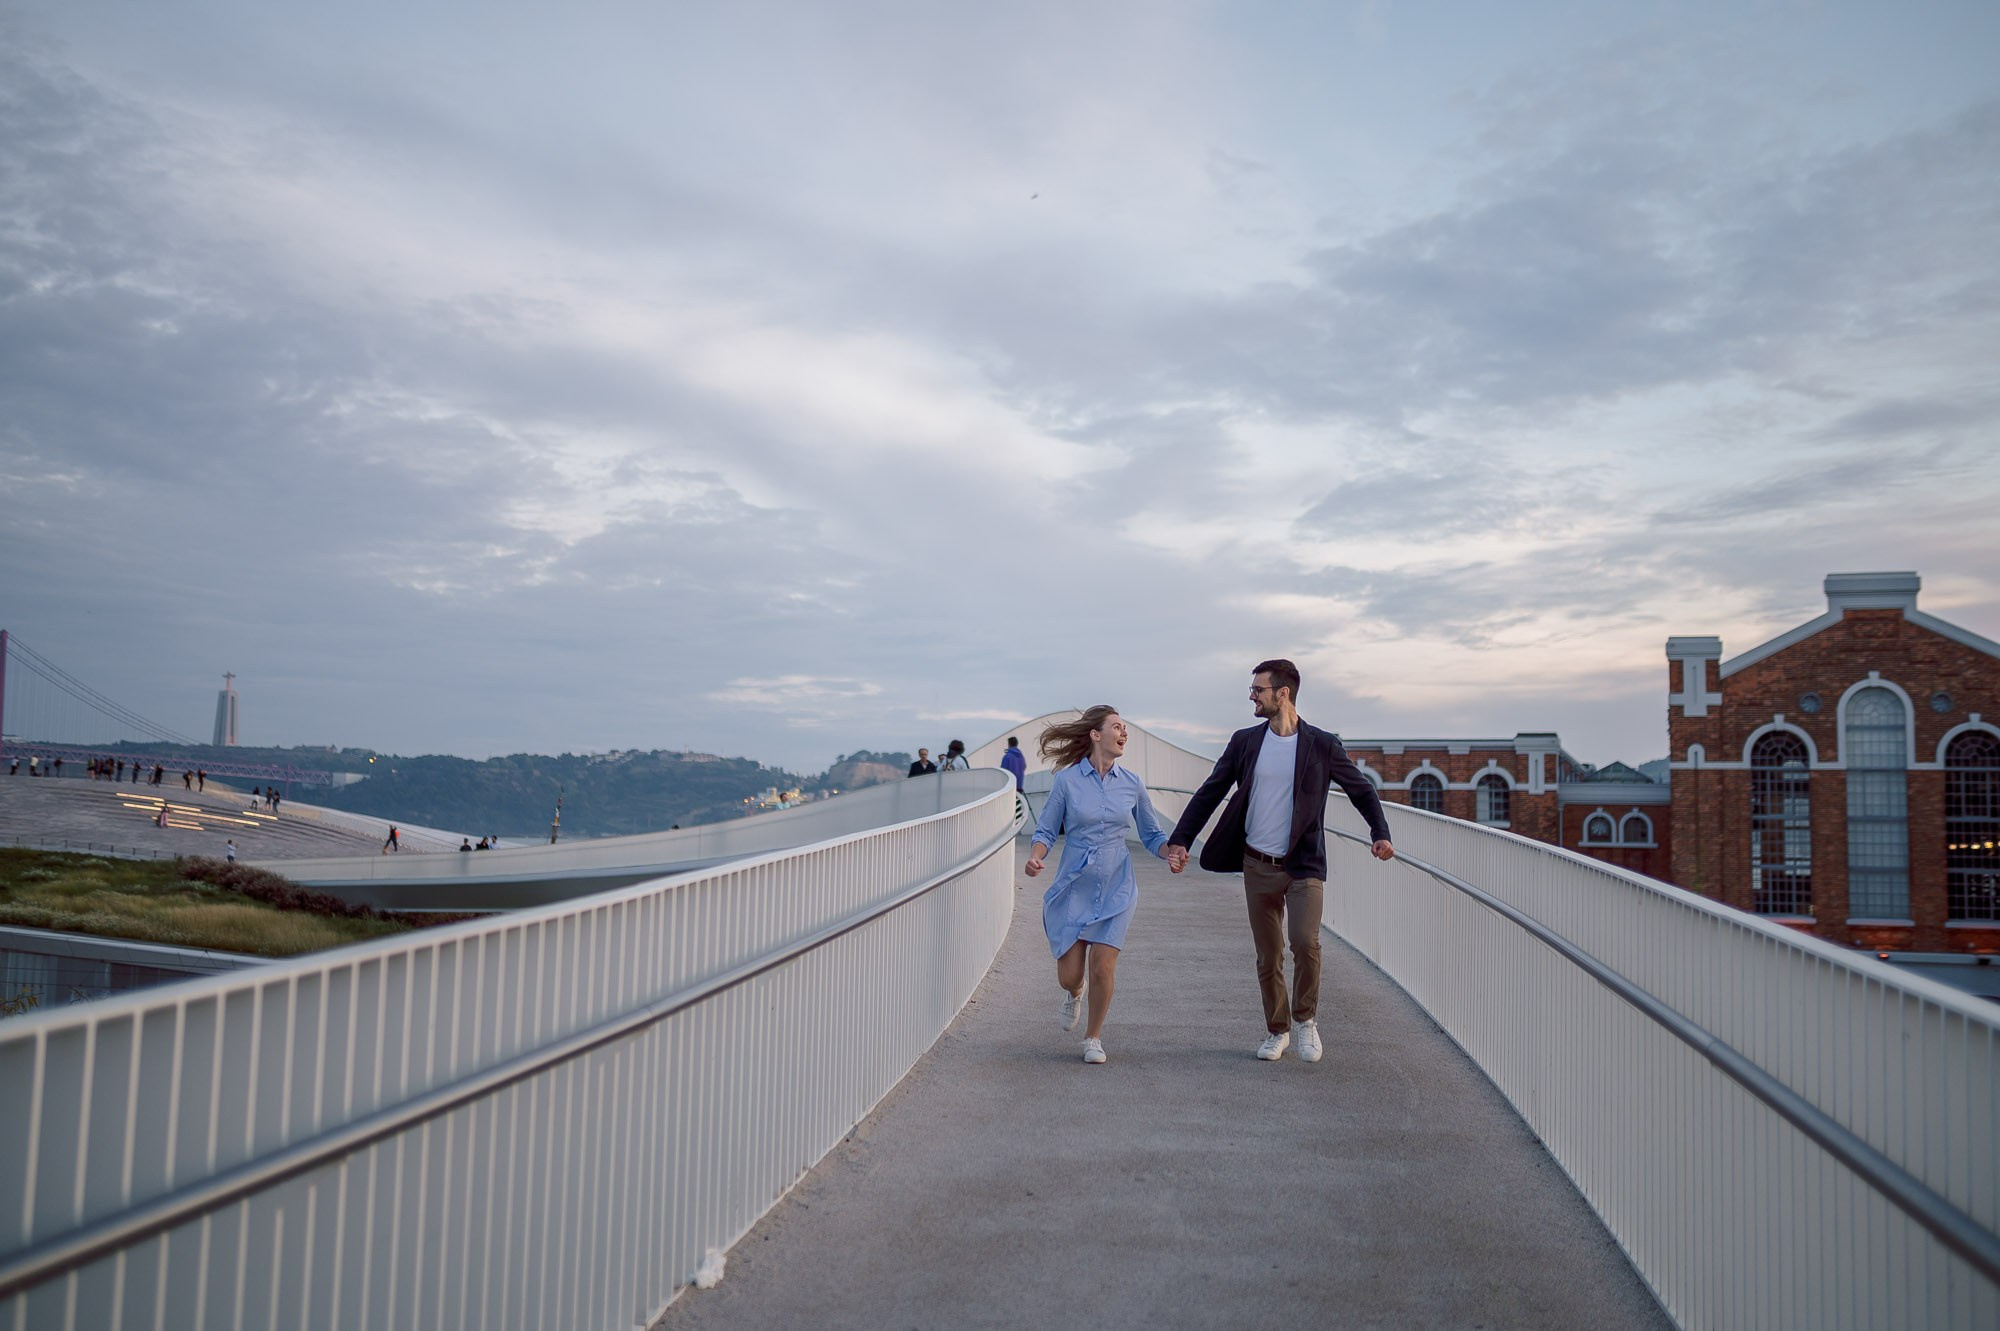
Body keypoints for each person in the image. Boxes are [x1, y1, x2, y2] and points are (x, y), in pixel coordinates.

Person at [1165, 659, 1394, 1064]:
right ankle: (1278, 1029)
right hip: (1256, 864)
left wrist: (1380, 834)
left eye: (1258, 689)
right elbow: (1210, 790)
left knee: (1305, 943)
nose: (1252, 696)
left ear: (1282, 693)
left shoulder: (1321, 744)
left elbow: (1361, 790)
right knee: (1268, 955)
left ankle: (1305, 1021)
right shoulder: (1245, 742)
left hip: (1304, 863)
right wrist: (1181, 840)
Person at [1026, 705, 1180, 1065]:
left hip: (1117, 884)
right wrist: (1036, 856)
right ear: (1096, 735)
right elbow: (1047, 829)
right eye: (1116, 727)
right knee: (1070, 975)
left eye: (1125, 728)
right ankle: (1074, 993)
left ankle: (1093, 1037)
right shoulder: (1067, 781)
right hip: (1075, 885)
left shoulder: (1132, 783)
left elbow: (1152, 833)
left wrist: (1169, 854)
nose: (1124, 733)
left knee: (1103, 966)